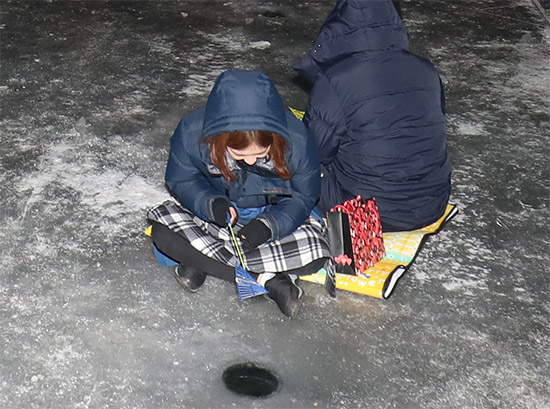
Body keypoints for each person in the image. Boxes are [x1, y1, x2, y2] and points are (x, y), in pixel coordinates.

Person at [147, 70, 331, 318]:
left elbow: (304, 196)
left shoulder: (296, 139)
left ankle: (203, 262)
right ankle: (266, 279)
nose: (251, 160)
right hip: (214, 220)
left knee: (317, 252)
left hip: (274, 219)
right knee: (163, 233)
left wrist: (268, 226)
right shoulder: (192, 133)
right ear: (221, 140)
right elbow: (181, 179)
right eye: (240, 155)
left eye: (260, 152)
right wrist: (210, 205)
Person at [294, 0, 451, 232]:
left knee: (292, 146)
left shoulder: (335, 81)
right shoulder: (426, 70)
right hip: (432, 203)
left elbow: (313, 153)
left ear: (339, 28)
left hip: (368, 213)